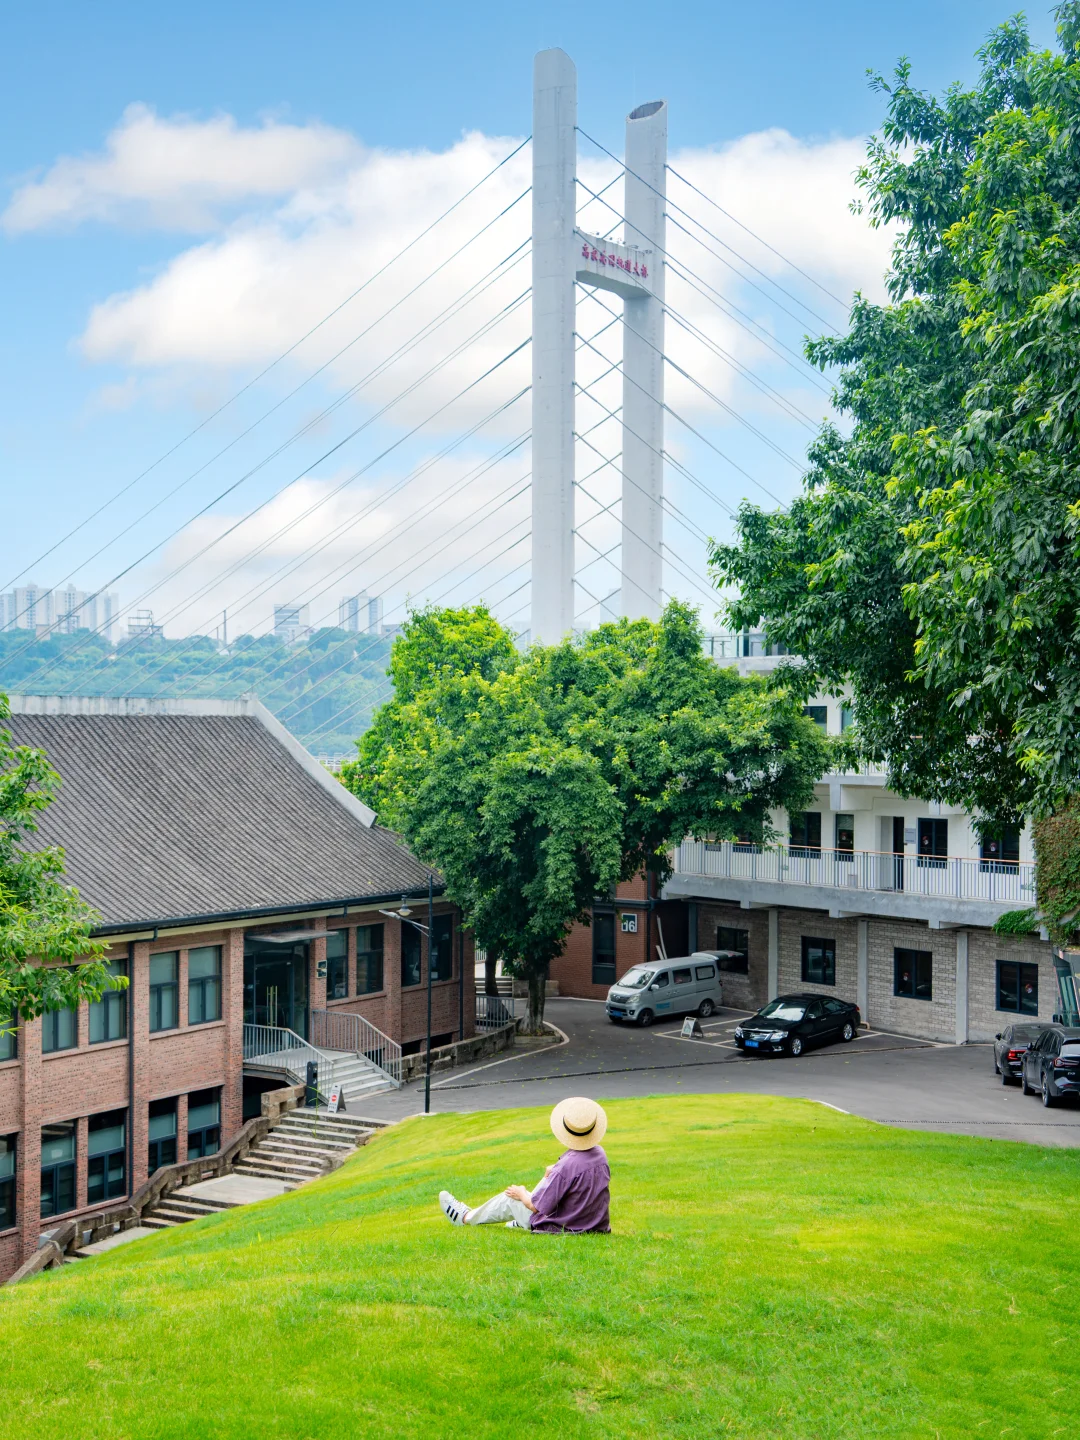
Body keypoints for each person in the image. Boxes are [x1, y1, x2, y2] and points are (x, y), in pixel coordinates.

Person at [438, 1096, 610, 1234]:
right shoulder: (600, 1155)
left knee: (510, 1199)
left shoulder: (566, 1167)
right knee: (546, 1178)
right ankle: (519, 1221)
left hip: (563, 1227)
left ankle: (464, 1217)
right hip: (593, 1225)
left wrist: (520, 1193)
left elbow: (536, 1207)